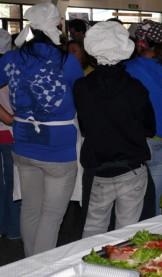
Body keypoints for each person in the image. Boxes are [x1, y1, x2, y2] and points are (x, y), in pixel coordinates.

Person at [0, 3, 83, 256]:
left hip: (23, 143)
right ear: (56, 26)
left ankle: (29, 263)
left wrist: (7, 117)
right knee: (51, 214)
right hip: (58, 149)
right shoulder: (65, 60)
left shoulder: (11, 57)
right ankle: (40, 269)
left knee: (30, 208)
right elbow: (82, 95)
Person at [73, 21, 156, 238]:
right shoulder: (135, 87)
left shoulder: (81, 87)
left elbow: (84, 126)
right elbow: (150, 127)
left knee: (93, 231)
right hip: (131, 168)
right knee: (127, 233)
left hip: (99, 169)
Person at [125, 20, 162, 216]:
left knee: (130, 201)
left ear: (140, 43)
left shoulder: (127, 68)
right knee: (155, 198)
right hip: (161, 139)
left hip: (134, 140)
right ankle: (153, 239)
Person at [0, 29, 20, 241]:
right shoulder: (12, 68)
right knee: (12, 184)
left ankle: (4, 226)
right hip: (8, 132)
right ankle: (13, 228)